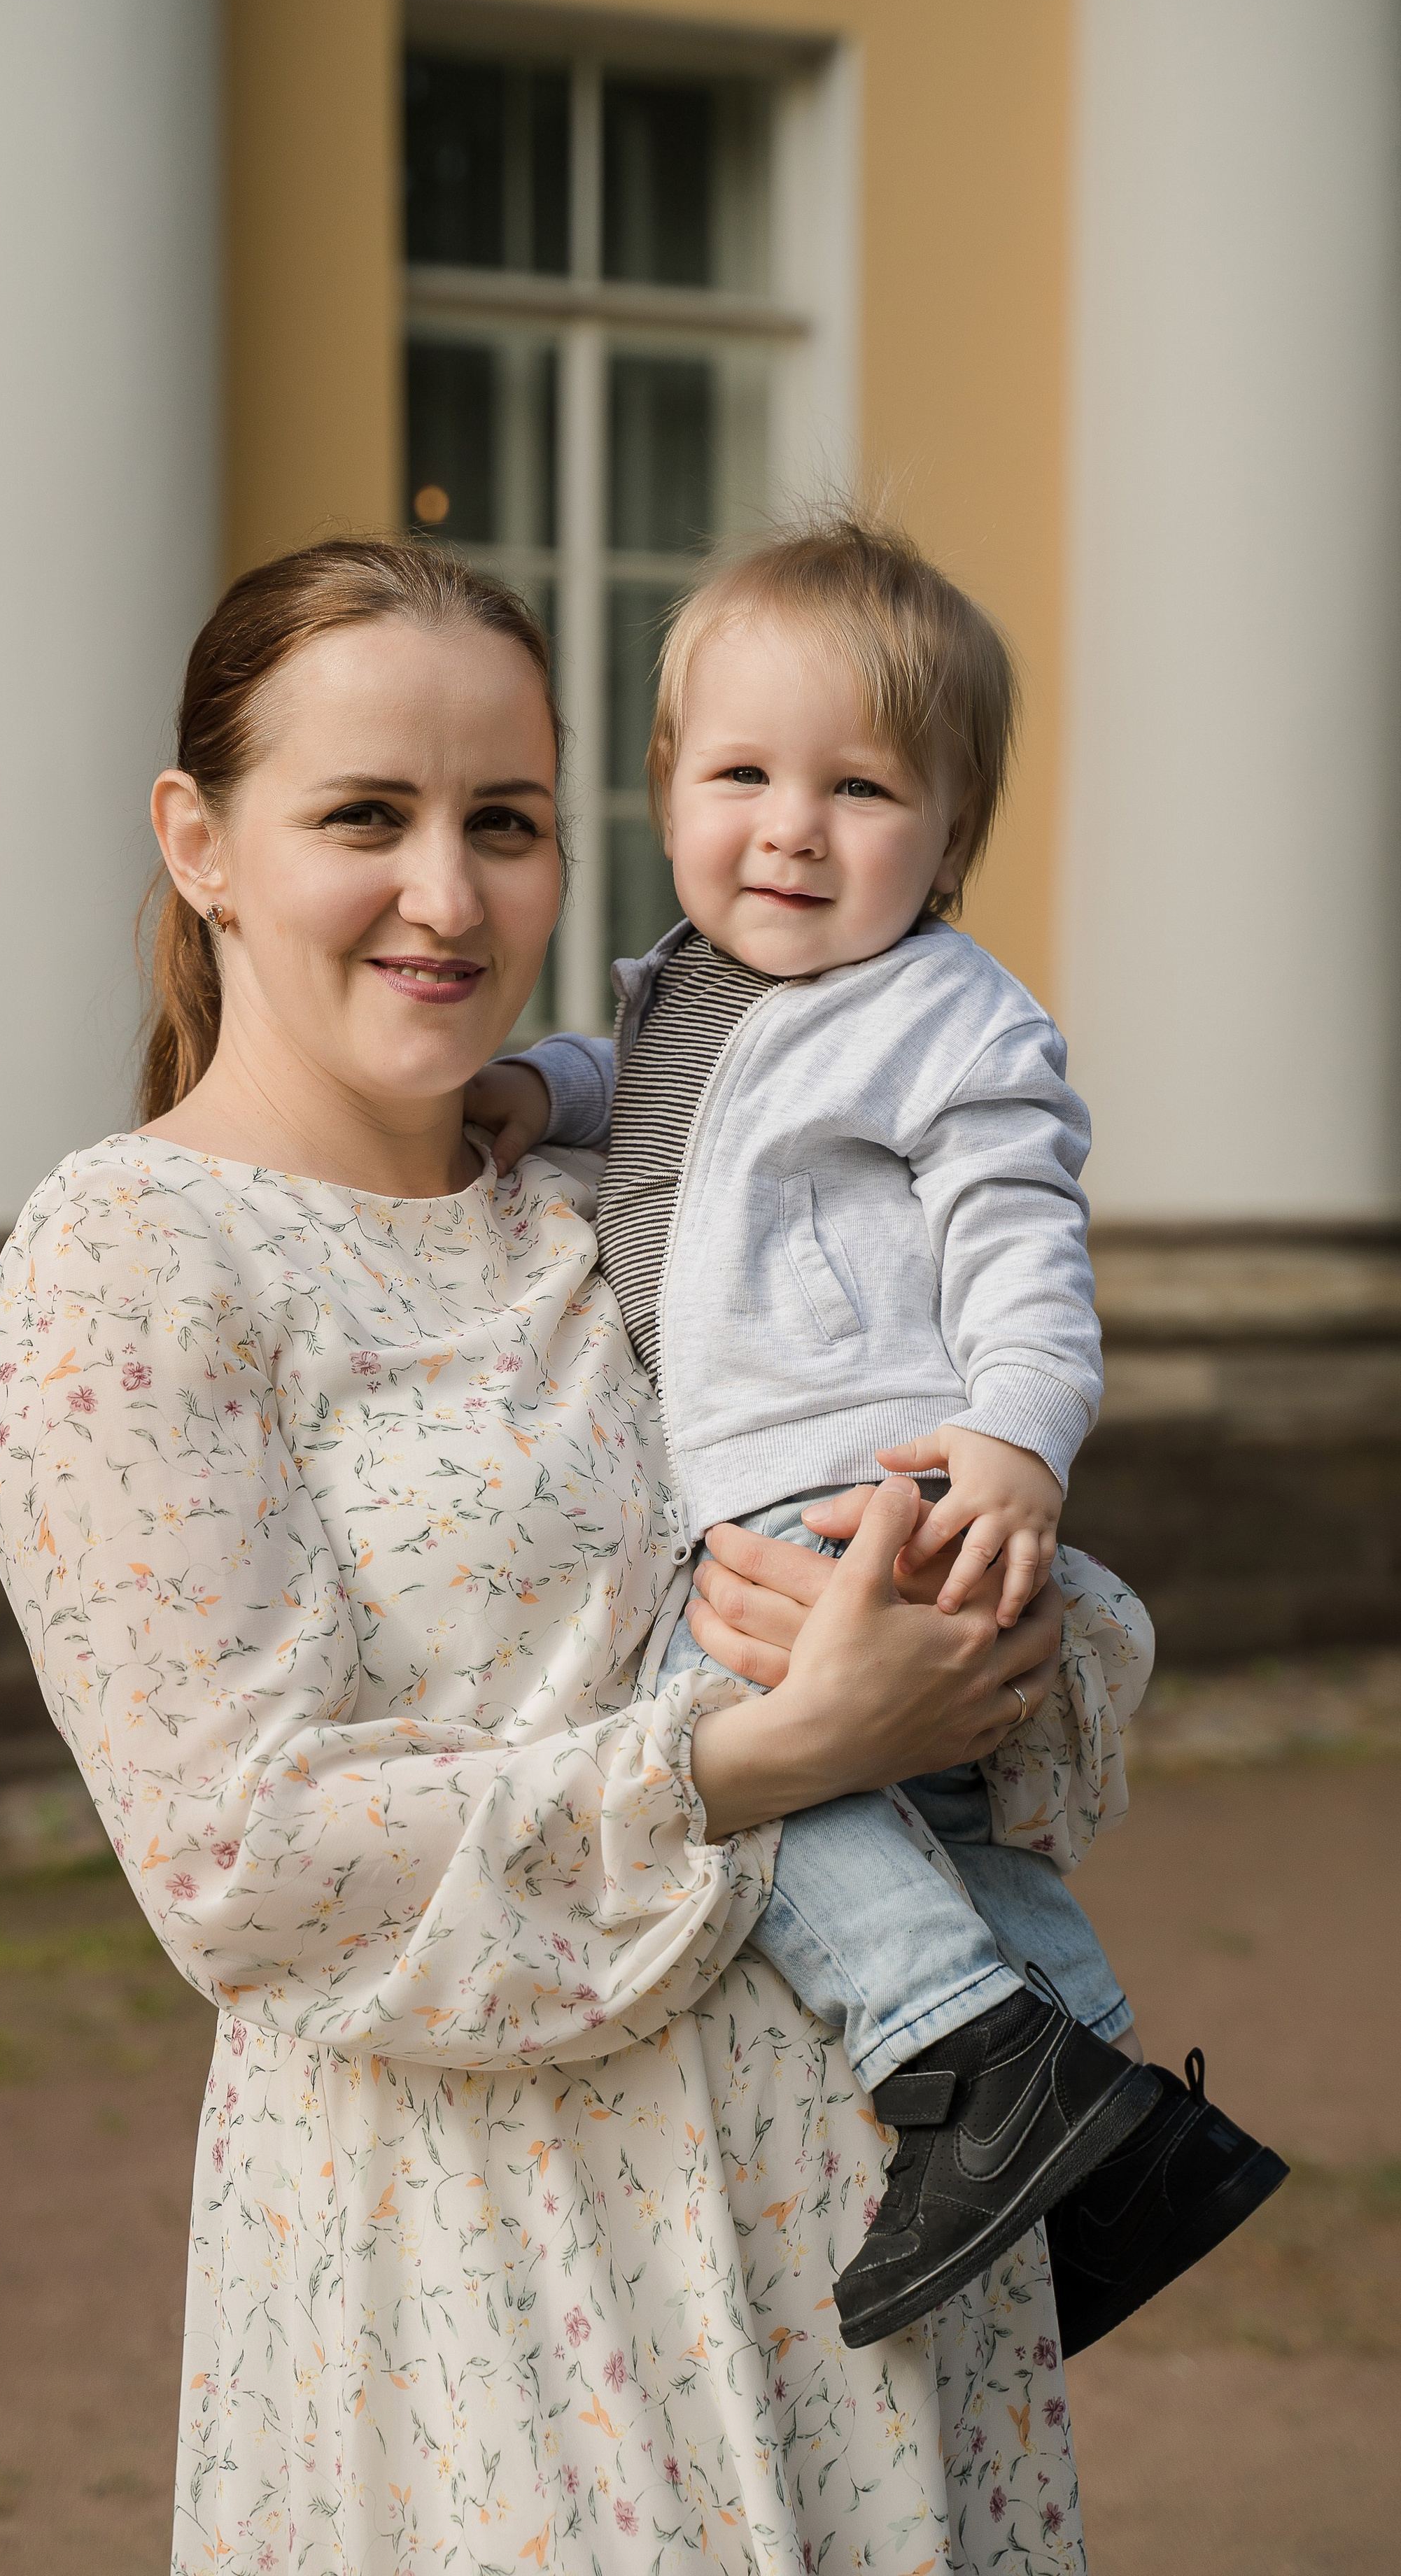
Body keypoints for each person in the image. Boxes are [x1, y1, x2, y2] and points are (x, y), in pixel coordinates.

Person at [0, 536, 1127, 2574]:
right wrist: (763, 1756)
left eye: (503, 821)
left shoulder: (619, 1187)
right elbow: (246, 1864)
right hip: (496, 2273)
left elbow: (997, 1592)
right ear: (201, 841)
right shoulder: (130, 1266)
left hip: (877, 2245)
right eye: (365, 817)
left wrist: (976, 1627)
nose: (448, 893)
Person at [468, 516, 1286, 2357]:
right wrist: (539, 1091)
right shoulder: (688, 984)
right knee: (937, 1826)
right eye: (742, 774)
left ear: (950, 835)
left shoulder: (949, 1016)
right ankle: (1117, 2129)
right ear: (667, 788)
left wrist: (1018, 1438)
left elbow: (1027, 1250)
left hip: (873, 1482)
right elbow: (650, 1087)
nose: (792, 828)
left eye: (861, 790)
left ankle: (963, 2052)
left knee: (726, 1721)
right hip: (782, 1484)